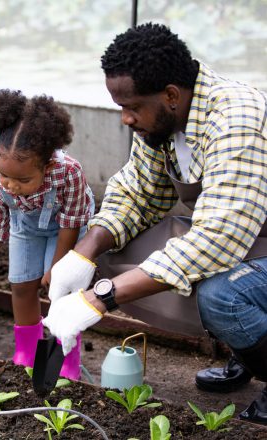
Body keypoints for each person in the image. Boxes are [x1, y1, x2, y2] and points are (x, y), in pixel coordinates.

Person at [43, 23, 267, 424]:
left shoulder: (236, 120)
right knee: (109, 255)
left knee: (222, 297)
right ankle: (247, 350)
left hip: (240, 238)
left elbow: (217, 239)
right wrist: (82, 255)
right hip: (247, 238)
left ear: (170, 95)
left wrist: (99, 299)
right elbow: (135, 193)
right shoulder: (164, 121)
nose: (126, 119)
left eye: (131, 107)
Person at [0, 89, 94, 380]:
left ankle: (66, 355)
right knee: (21, 286)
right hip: (26, 228)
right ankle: (26, 351)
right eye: (4, 174)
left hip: (66, 228)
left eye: (23, 179)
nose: (11, 186)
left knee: (62, 290)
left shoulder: (68, 174)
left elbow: (71, 223)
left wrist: (57, 266)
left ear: (47, 166)